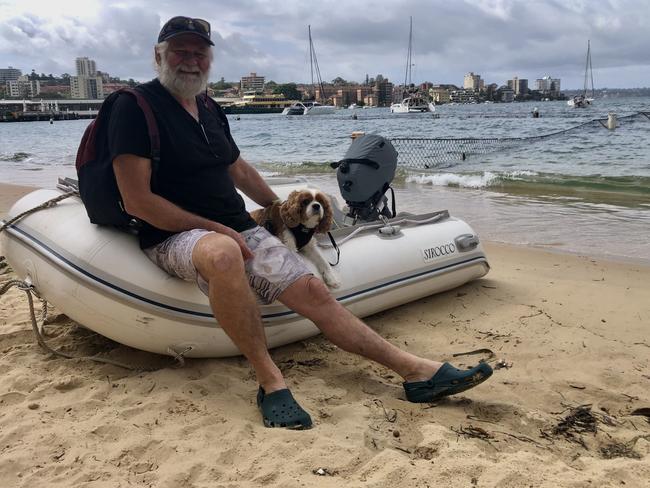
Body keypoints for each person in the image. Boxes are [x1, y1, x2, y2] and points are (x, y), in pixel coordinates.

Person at [109, 16, 493, 429]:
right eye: (180, 51)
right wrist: (219, 230)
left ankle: (416, 372)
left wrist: (280, 211)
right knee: (223, 253)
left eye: (199, 53)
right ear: (158, 56)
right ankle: (271, 382)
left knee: (313, 288)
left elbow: (237, 169)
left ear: (209, 60)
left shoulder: (207, 106)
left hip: (238, 226)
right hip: (174, 235)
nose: (190, 61)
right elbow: (138, 199)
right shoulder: (134, 107)